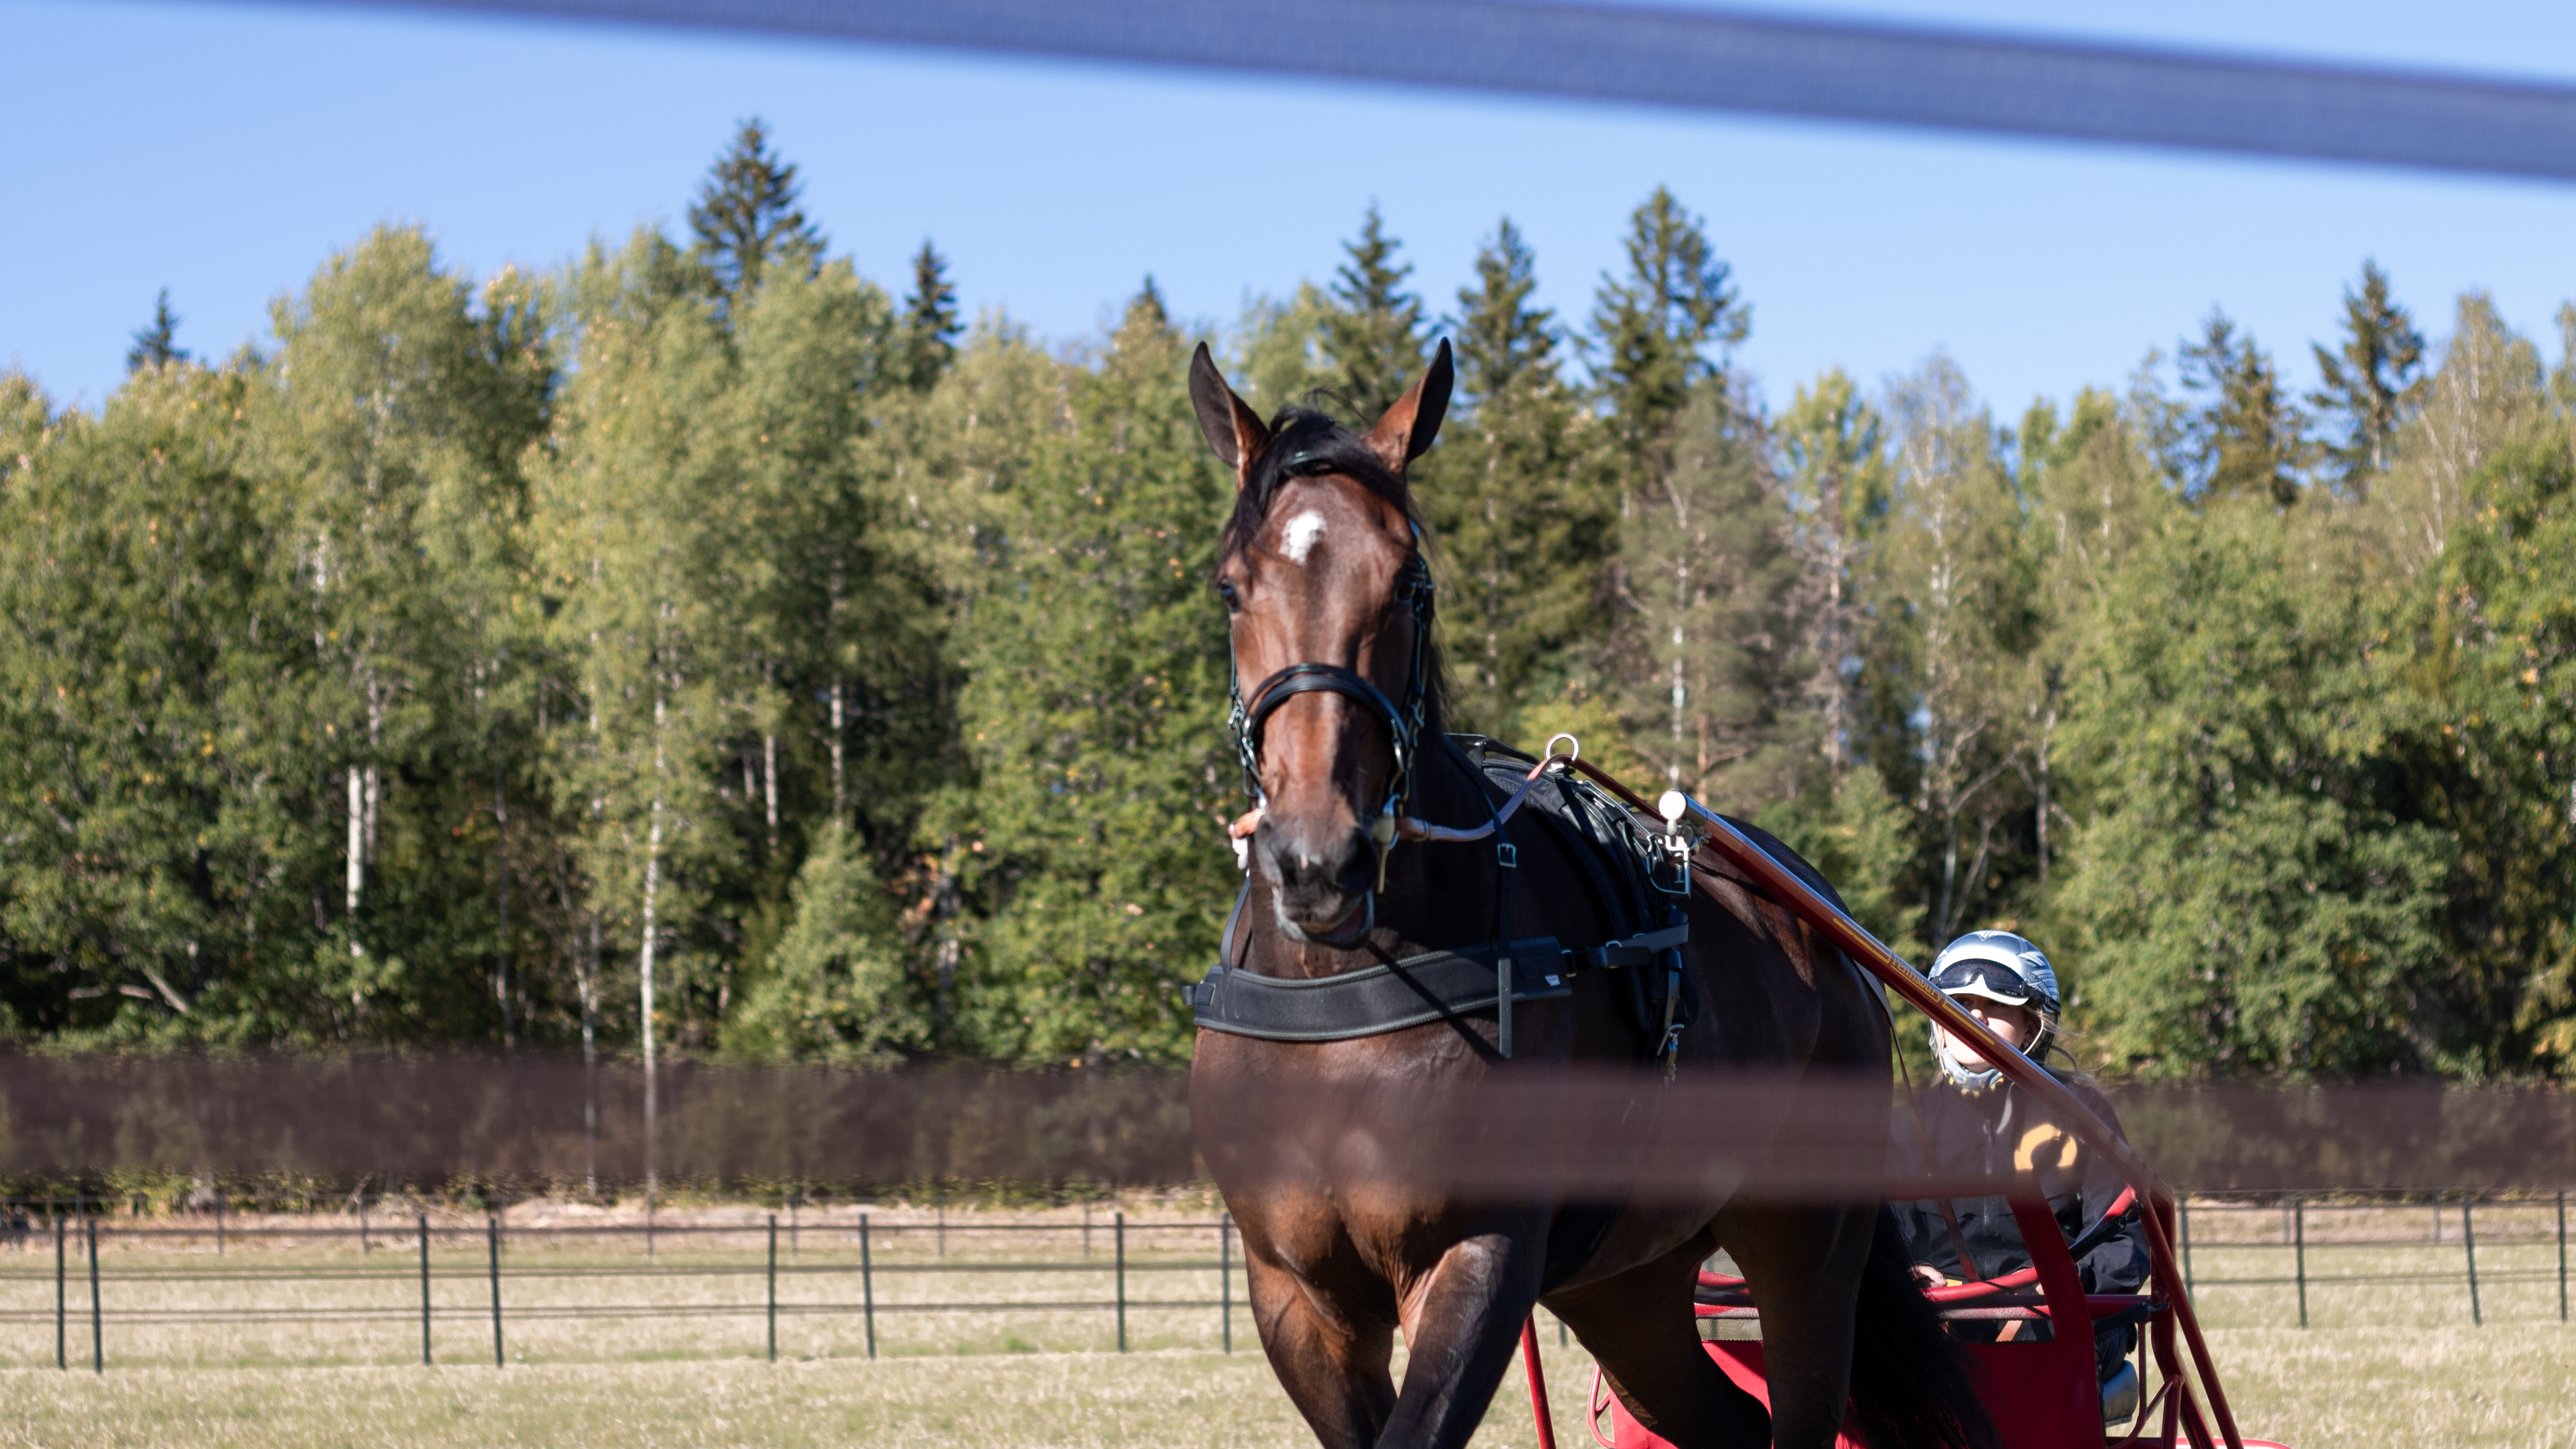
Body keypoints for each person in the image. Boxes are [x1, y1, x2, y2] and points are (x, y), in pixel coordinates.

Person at [1889, 930, 2149, 1425]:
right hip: (1942, 1322)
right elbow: (1879, 1238)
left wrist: (2060, 1292)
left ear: (2034, 1025)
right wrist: (1907, 1278)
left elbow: (2125, 1238)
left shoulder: (2081, 1117)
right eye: (1958, 1003)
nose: (1972, 1017)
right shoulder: (1907, 1126)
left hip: (2059, 1320)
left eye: (1995, 1007)